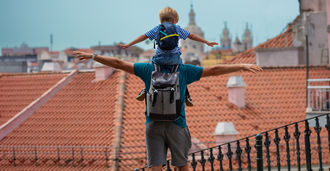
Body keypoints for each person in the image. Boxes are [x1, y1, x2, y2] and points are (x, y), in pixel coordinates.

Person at [73, 50, 262, 171]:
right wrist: (242, 66)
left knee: (155, 167)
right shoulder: (184, 70)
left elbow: (119, 63)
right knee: (182, 165)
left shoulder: (147, 69)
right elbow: (214, 70)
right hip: (177, 125)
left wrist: (94, 56)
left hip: (153, 124)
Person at [117, 6, 218, 106]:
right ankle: (187, 95)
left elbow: (144, 36)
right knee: (181, 72)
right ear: (174, 20)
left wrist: (129, 44)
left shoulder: (157, 28)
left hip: (159, 60)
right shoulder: (177, 28)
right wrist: (206, 42)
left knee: (150, 70)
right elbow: (191, 36)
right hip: (175, 60)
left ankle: (145, 89)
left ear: (161, 19)